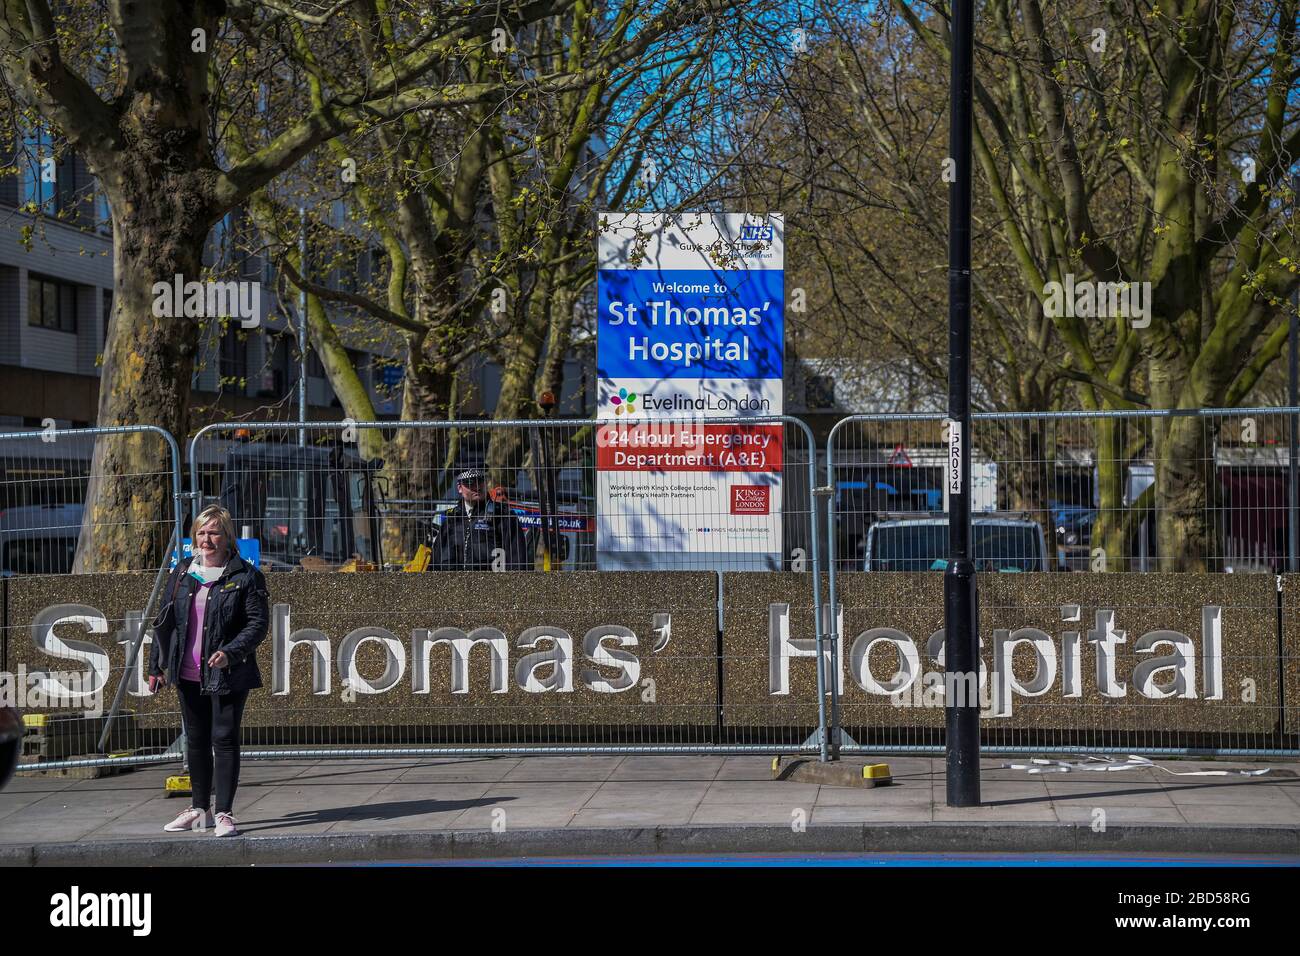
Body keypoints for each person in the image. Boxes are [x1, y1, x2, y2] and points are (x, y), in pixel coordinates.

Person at [148, 504, 270, 837]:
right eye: (201, 532)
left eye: (214, 532)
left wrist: (231, 653)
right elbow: (165, 619)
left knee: (224, 739)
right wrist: (155, 665)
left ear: (228, 537)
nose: (207, 539)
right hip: (187, 671)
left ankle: (225, 813)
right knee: (196, 740)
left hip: (228, 672)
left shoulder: (245, 575)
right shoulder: (183, 572)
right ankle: (198, 809)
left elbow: (258, 625)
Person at [428, 468, 531, 571]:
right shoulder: (452, 519)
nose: (477, 487)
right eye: (471, 483)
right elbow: (436, 561)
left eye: (480, 481)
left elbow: (518, 558)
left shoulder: (503, 515)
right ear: (460, 488)